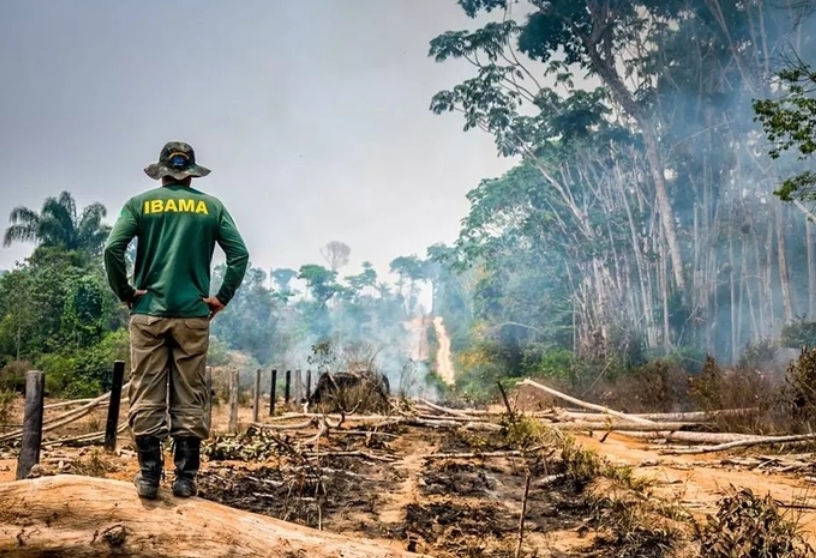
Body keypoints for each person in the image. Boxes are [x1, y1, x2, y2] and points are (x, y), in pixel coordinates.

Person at [103, 141, 249, 499]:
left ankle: (149, 476)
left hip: (148, 314)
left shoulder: (140, 204)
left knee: (146, 389)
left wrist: (125, 291)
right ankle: (185, 479)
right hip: (193, 316)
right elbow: (239, 255)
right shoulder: (212, 207)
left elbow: (112, 249)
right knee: (190, 391)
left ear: (162, 172)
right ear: (191, 174)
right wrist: (221, 297)